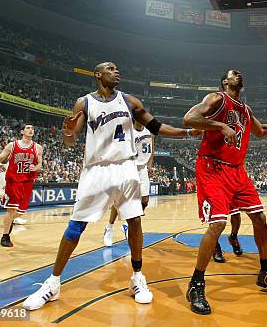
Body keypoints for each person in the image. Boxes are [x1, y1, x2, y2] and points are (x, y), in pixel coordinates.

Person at [23, 62, 200, 310]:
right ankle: (52, 283)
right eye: (110, 69)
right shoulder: (84, 102)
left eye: (117, 69)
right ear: (98, 75)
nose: (116, 71)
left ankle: (137, 277)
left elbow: (157, 127)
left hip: (125, 166)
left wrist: (187, 133)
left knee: (135, 221)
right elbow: (70, 141)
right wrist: (67, 133)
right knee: (76, 226)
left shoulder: (129, 101)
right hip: (96, 169)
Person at [183, 69, 267, 315]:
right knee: (217, 225)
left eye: (239, 73)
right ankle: (196, 284)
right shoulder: (217, 99)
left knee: (260, 217)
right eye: (232, 73)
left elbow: (262, 130)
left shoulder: (245, 109)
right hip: (213, 167)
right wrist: (219, 125)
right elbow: (189, 118)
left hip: (237, 171)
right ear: (225, 82)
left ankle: (266, 271)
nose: (238, 73)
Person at [104, 120, 155, 246]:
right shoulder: (127, 130)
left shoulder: (150, 131)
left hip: (142, 168)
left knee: (145, 201)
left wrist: (150, 165)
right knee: (120, 202)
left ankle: (126, 224)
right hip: (128, 167)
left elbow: (152, 148)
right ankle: (109, 228)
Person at [0, 124, 43, 246]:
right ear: (22, 131)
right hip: (13, 181)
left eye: (32, 128)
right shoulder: (12, 145)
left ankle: (9, 221)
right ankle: (5, 237)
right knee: (12, 210)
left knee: (19, 213)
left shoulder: (38, 148)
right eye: (28, 128)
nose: (31, 130)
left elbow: (40, 165)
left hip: (27, 183)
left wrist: (35, 167)